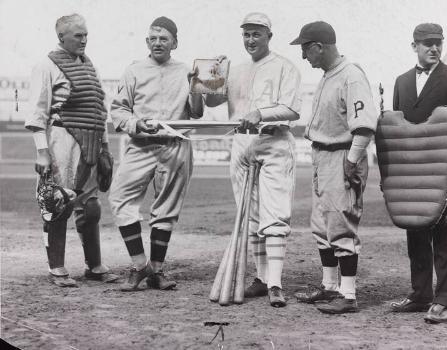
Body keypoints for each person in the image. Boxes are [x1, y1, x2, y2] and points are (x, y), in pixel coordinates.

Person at [204, 12, 302, 307]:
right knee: (251, 215)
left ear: (269, 36)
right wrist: (211, 76)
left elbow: (291, 109)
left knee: (275, 213)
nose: (250, 40)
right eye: (246, 34)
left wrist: (261, 113)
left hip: (274, 140)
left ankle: (275, 283)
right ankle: (261, 279)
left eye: (256, 34)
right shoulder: (235, 70)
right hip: (242, 144)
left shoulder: (285, 67)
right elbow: (208, 101)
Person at [109, 17, 204, 292]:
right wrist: (136, 124)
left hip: (175, 144)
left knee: (166, 210)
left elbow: (197, 112)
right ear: (146, 42)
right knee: (119, 197)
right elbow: (119, 110)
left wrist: (198, 85)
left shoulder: (187, 71)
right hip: (141, 145)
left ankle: (157, 271)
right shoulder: (134, 70)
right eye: (153, 38)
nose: (158, 43)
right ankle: (140, 266)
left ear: (175, 42)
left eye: (164, 38)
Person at [290, 21, 378, 314]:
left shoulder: (351, 76)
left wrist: (351, 161)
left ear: (319, 46)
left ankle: (349, 295)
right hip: (323, 156)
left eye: (305, 49)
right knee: (321, 226)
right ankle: (329, 287)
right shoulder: (329, 75)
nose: (304, 56)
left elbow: (364, 127)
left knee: (341, 226)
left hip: (342, 155)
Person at [25, 13, 119, 287]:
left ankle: (94, 266)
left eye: (86, 34)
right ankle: (57, 268)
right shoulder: (46, 65)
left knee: (90, 208)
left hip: (90, 142)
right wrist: (42, 151)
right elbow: (37, 113)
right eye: (78, 35)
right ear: (61, 37)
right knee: (58, 203)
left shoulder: (88, 65)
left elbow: (98, 111)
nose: (84, 40)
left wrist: (104, 148)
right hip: (61, 139)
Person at [390, 23, 447, 323]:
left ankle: (446, 301)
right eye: (427, 43)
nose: (434, 48)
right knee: (416, 233)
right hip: (411, 173)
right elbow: (397, 132)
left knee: (445, 235)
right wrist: (393, 176)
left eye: (438, 43)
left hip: (445, 171)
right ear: (414, 46)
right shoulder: (401, 82)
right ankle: (420, 294)